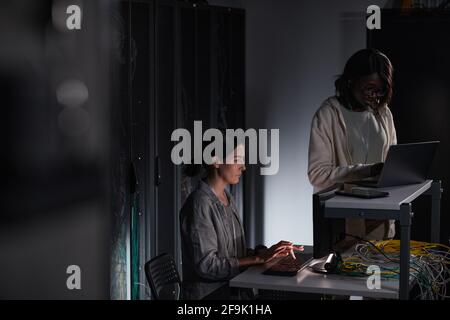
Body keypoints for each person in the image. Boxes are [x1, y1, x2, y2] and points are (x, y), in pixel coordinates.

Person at [180, 140, 303, 300]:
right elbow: (207, 266)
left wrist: (266, 253)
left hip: (231, 290)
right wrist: (257, 259)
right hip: (210, 296)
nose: (243, 167)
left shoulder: (226, 197)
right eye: (237, 160)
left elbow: (231, 254)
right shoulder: (199, 204)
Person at [308, 48, 397, 239]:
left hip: (380, 219)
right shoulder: (328, 114)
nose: (375, 95)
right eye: (369, 88)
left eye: (380, 90)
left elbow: (393, 164)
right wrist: (368, 170)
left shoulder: (384, 113)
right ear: (351, 80)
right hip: (343, 226)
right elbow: (317, 175)